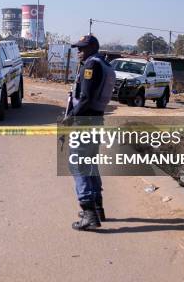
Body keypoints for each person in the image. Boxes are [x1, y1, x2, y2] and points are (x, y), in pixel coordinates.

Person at [66, 34, 115, 231]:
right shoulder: (103, 63)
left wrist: (70, 118)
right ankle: (97, 206)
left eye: (83, 48)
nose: (79, 51)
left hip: (85, 120)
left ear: (93, 48)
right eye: (78, 48)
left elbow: (86, 98)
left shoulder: (91, 66)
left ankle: (89, 213)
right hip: (95, 119)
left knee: (78, 164)